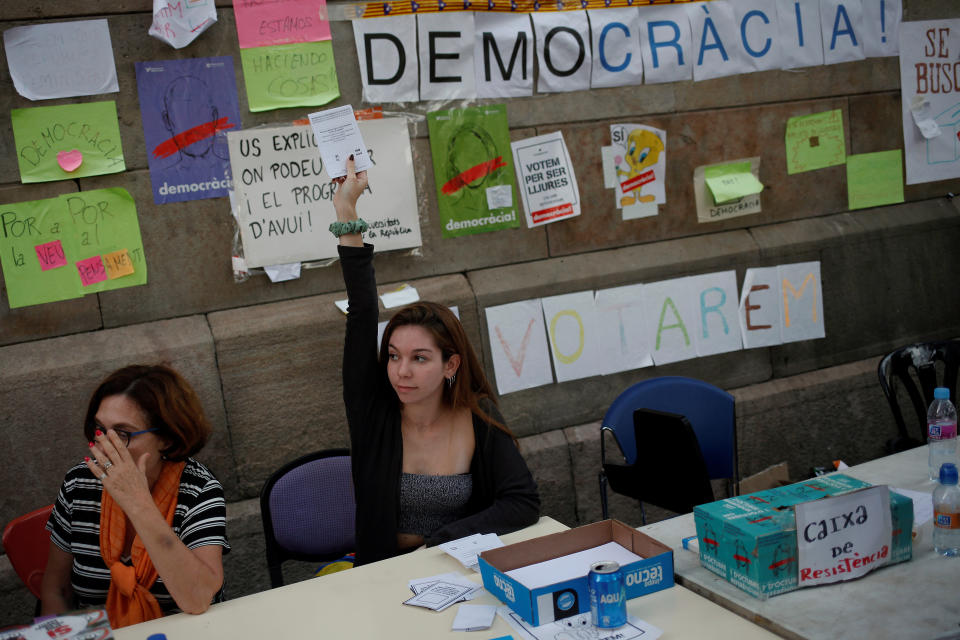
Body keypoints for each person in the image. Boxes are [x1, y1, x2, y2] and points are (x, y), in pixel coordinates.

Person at [333, 156, 540, 565]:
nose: (401, 371)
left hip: (458, 570)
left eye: (419, 358)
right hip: (380, 577)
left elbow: (522, 502)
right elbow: (361, 313)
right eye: (393, 356)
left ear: (451, 365)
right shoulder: (373, 411)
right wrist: (347, 213)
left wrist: (445, 540)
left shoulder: (477, 415)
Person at [41, 365, 229, 628]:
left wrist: (138, 503)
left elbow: (197, 599)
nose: (104, 447)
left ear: (166, 439)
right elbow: (55, 591)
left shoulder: (198, 489)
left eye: (122, 434)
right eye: (99, 430)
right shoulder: (79, 484)